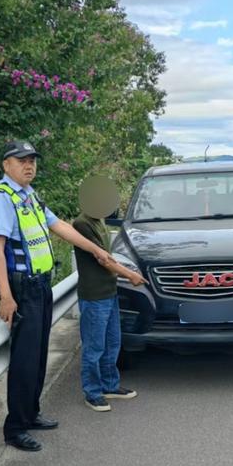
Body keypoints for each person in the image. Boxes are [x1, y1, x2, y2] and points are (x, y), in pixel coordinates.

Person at [0, 141, 113, 452]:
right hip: (21, 289)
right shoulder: (1, 200)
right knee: (25, 360)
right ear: (6, 165)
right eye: (22, 160)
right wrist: (6, 296)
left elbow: (60, 227)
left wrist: (95, 249)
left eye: (32, 161)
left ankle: (31, 414)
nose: (29, 166)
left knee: (39, 354)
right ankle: (15, 428)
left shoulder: (30, 196)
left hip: (40, 285)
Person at [72, 175, 147, 412]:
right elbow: (103, 259)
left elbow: (109, 255)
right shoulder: (82, 224)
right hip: (94, 295)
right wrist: (130, 275)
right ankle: (92, 392)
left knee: (113, 342)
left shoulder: (100, 220)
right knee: (94, 346)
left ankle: (110, 385)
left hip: (109, 291)